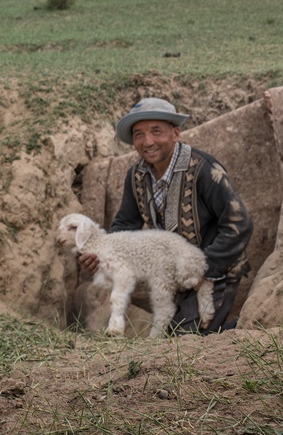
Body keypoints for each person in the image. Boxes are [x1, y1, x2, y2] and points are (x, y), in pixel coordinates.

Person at [78, 97, 253, 334]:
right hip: (174, 275)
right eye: (139, 134)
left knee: (184, 338)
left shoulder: (204, 170)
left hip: (214, 273)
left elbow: (239, 223)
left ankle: (239, 329)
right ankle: (222, 328)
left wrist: (204, 268)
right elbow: (126, 223)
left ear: (175, 133)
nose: (147, 141)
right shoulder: (137, 175)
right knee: (169, 332)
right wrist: (101, 253)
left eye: (156, 131)